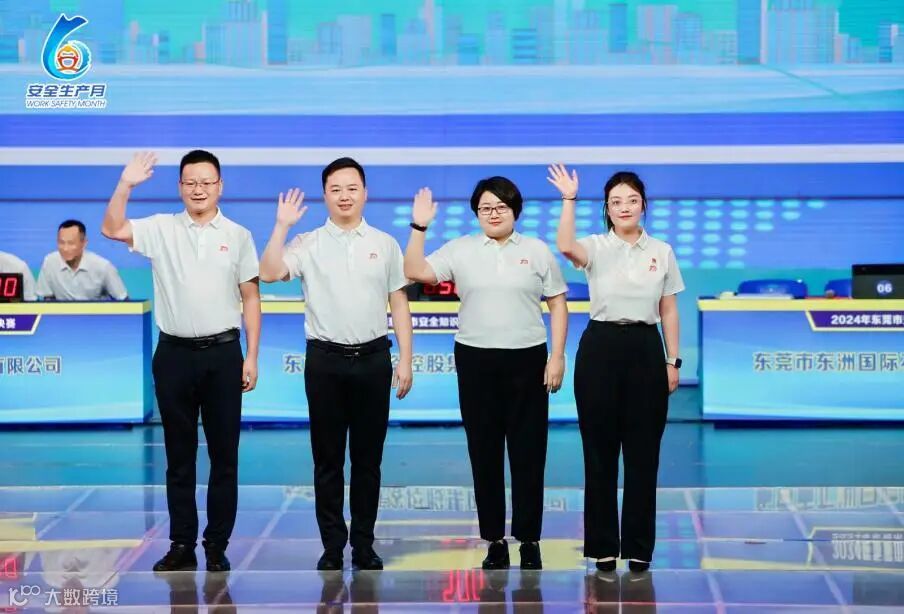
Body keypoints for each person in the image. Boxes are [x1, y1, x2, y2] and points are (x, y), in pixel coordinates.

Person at [101, 150, 261, 573]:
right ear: (180, 187)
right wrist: (126, 184)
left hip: (224, 355)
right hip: (173, 354)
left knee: (224, 456)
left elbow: (250, 297)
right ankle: (181, 544)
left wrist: (252, 355)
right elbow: (112, 228)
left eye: (206, 182)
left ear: (220, 186)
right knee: (179, 456)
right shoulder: (161, 228)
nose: (198, 189)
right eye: (190, 182)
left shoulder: (239, 235)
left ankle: (217, 545)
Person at [403, 177, 568, 570]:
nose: (493, 214)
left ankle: (529, 539)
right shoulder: (460, 249)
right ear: (476, 213)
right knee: (484, 452)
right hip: (476, 360)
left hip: (528, 359)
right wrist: (419, 226)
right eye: (485, 208)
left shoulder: (536, 250)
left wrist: (557, 356)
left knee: (529, 453)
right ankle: (494, 539)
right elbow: (413, 270)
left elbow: (558, 304)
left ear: (515, 210)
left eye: (501, 207)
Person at [259, 157, 413, 571]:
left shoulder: (385, 243)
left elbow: (399, 302)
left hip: (373, 360)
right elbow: (269, 272)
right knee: (327, 460)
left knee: (368, 461)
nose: (344, 196)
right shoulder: (307, 242)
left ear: (365, 193)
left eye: (352, 188)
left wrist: (405, 358)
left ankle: (363, 544)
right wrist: (281, 226)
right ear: (325, 195)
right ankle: (331, 546)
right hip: (325, 362)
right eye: (335, 189)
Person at [550, 164, 683, 573]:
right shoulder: (595, 246)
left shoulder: (661, 251)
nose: (625, 207)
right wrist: (569, 199)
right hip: (601, 348)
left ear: (643, 206)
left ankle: (639, 547)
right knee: (599, 452)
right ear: (607, 209)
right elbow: (565, 245)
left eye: (632, 200)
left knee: (644, 453)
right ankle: (603, 547)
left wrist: (672, 360)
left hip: (645, 348)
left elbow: (668, 308)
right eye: (616, 201)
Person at [36, 219, 128, 301]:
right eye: (61, 242)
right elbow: (47, 299)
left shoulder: (103, 267)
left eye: (71, 243)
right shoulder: (49, 262)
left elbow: (124, 300)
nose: (65, 248)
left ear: (84, 243)